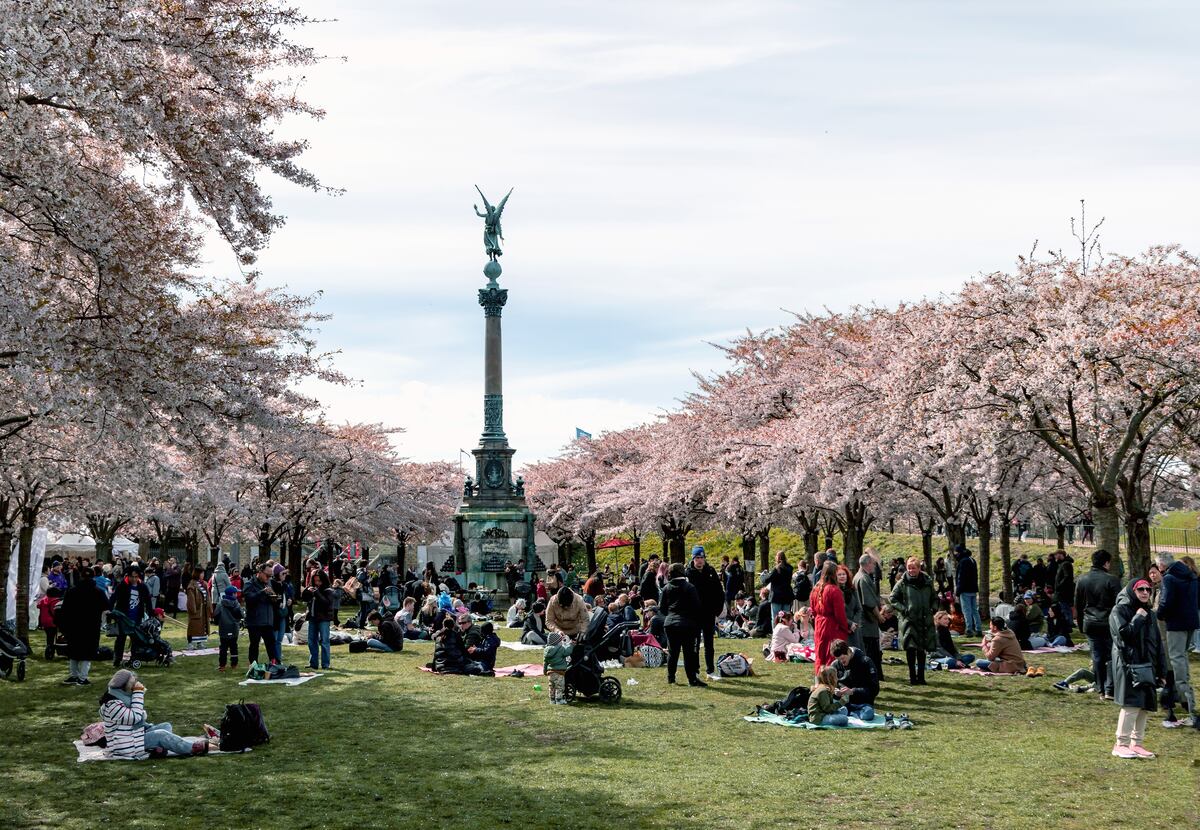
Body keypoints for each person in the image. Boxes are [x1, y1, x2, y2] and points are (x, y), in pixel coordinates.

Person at [1109, 579, 1167, 758]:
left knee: (1144, 705)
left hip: (1148, 665)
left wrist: (1161, 671)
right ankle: (1121, 744)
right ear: (1132, 591)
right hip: (1128, 664)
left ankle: (1137, 743)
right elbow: (1124, 635)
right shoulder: (1119, 610)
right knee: (1132, 704)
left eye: (1148, 589)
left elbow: (1157, 643)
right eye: (1140, 589)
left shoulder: (1149, 613)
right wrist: (1138, 617)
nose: (1145, 592)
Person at [99, 669, 213, 758]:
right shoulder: (112, 704)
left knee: (166, 726)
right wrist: (138, 694)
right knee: (161, 734)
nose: (134, 686)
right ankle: (192, 748)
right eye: (132, 683)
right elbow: (136, 717)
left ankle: (156, 749)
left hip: (132, 734)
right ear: (125, 686)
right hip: (124, 745)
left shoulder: (121, 698)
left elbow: (140, 716)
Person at [1154, 551, 1198, 729]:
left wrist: (1159, 614)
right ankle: (1184, 698)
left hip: (1175, 624)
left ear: (1162, 565)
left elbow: (1166, 601)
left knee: (1177, 661)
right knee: (1182, 659)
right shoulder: (1191, 576)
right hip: (1190, 622)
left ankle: (1188, 705)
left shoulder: (1170, 578)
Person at [1074, 549, 1121, 700]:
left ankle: (1100, 688)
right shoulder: (1112, 580)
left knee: (1097, 657)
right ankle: (1110, 689)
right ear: (1106, 563)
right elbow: (1119, 605)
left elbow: (1078, 604)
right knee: (1111, 656)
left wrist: (1081, 626)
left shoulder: (1082, 579)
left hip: (1090, 622)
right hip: (1108, 623)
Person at [889, 556, 936, 685]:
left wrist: (933, 608)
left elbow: (934, 597)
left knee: (922, 649)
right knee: (910, 648)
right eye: (909, 568)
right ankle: (912, 677)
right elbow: (893, 598)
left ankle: (921, 676)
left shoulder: (927, 581)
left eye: (913, 568)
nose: (911, 570)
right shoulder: (902, 583)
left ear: (919, 568)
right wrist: (903, 609)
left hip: (924, 620)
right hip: (909, 621)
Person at [58, 569, 109, 685]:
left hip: (74, 626)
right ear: (93, 577)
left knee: (73, 651)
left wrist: (64, 625)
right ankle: (82, 678)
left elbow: (64, 609)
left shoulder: (72, 591)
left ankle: (73, 675)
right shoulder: (98, 592)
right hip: (91, 626)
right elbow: (107, 605)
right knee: (87, 652)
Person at [659, 562, 704, 686]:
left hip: (670, 622)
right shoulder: (690, 587)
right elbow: (697, 607)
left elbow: (661, 608)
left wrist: (671, 613)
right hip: (687, 623)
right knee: (688, 652)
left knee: (673, 652)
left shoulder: (666, 588)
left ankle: (671, 678)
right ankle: (692, 679)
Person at [685, 546, 724, 679]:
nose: (700, 561)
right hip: (694, 614)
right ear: (693, 559)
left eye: (702, 558)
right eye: (697, 558)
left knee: (709, 644)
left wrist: (717, 610)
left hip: (708, 613)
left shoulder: (710, 571)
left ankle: (710, 670)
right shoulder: (688, 573)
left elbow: (719, 592)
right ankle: (695, 670)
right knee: (695, 643)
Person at [810, 561, 849, 672]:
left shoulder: (815, 588)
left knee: (820, 654)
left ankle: (819, 679)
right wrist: (845, 628)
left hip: (819, 624)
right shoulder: (834, 590)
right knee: (831, 655)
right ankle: (830, 681)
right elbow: (840, 614)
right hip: (831, 626)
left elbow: (813, 610)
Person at [110, 565, 152, 666]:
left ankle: (134, 658)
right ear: (127, 576)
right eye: (132, 576)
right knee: (121, 639)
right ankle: (117, 659)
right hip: (123, 618)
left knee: (135, 639)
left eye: (136, 576)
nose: (134, 579)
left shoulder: (142, 586)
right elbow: (113, 598)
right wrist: (110, 610)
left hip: (136, 617)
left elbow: (148, 601)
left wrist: (151, 613)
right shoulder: (122, 585)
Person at [243, 562, 280, 667]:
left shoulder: (269, 583)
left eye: (271, 576)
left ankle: (274, 664)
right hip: (254, 621)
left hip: (268, 620)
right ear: (260, 572)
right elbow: (249, 599)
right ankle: (253, 666)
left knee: (271, 645)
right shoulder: (249, 584)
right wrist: (262, 592)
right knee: (254, 645)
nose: (269, 578)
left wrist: (274, 597)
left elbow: (274, 602)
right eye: (267, 575)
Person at [831, 638, 878, 719]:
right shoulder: (835, 665)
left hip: (862, 703)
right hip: (842, 703)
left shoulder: (865, 662)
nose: (841, 662)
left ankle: (848, 714)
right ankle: (849, 714)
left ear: (849, 652)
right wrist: (834, 691)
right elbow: (827, 684)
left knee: (867, 713)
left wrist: (853, 691)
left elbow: (874, 689)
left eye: (842, 658)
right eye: (838, 659)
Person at [854, 554, 883, 679]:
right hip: (867, 622)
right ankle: (873, 674)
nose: (874, 566)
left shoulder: (858, 577)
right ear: (867, 564)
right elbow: (869, 603)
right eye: (873, 564)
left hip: (865, 621)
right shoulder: (864, 579)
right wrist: (879, 617)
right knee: (871, 651)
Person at [302, 569, 336, 671]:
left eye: (319, 581)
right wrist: (307, 591)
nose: (317, 583)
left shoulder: (328, 591)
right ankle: (313, 663)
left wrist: (317, 593)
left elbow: (326, 603)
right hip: (312, 617)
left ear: (323, 580)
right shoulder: (312, 588)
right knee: (311, 641)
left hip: (324, 619)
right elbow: (304, 598)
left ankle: (325, 664)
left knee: (324, 641)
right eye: (315, 580)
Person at [212, 585, 243, 671]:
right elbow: (241, 615)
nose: (237, 594)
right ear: (233, 594)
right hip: (234, 629)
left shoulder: (220, 603)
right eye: (236, 593)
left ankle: (222, 666)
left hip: (223, 629)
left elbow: (216, 615)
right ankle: (234, 664)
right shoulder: (236, 603)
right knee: (234, 647)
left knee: (223, 648)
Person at [954, 545, 981, 637]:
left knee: (966, 610)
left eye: (956, 552)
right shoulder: (972, 560)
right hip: (973, 588)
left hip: (965, 589)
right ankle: (978, 629)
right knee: (974, 610)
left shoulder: (963, 562)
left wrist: (957, 591)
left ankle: (969, 629)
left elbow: (961, 578)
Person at [836, 564, 863, 650]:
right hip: (841, 627)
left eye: (844, 574)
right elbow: (837, 612)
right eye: (839, 575)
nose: (842, 576)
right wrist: (849, 623)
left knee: (855, 653)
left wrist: (854, 623)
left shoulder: (852, 589)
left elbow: (859, 609)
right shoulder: (835, 591)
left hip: (854, 629)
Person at [763, 551, 795, 622]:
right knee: (786, 617)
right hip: (787, 595)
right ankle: (786, 631)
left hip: (776, 596)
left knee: (775, 617)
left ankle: (776, 632)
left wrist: (764, 576)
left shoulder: (776, 569)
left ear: (777, 558)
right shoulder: (790, 568)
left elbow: (767, 580)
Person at [544, 631, 572, 704]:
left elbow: (545, 662)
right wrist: (571, 645)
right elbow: (567, 652)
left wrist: (544, 671)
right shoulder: (560, 649)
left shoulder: (546, 650)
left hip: (550, 672)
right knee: (559, 687)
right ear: (557, 642)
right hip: (559, 672)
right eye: (560, 641)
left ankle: (552, 700)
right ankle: (559, 700)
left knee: (551, 686)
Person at [185, 573, 210, 650]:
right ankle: (190, 644)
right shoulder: (192, 585)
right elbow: (191, 598)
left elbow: (208, 596)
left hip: (204, 609)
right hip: (196, 609)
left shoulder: (204, 583)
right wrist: (193, 609)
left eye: (203, 573)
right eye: (201, 573)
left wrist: (209, 608)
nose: (203, 575)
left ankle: (200, 643)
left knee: (202, 627)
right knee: (192, 627)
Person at [37, 587, 62, 661]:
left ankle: (49, 648)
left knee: (49, 636)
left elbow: (38, 606)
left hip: (44, 621)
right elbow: (55, 612)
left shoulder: (44, 600)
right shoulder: (55, 601)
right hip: (52, 621)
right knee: (53, 636)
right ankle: (51, 651)